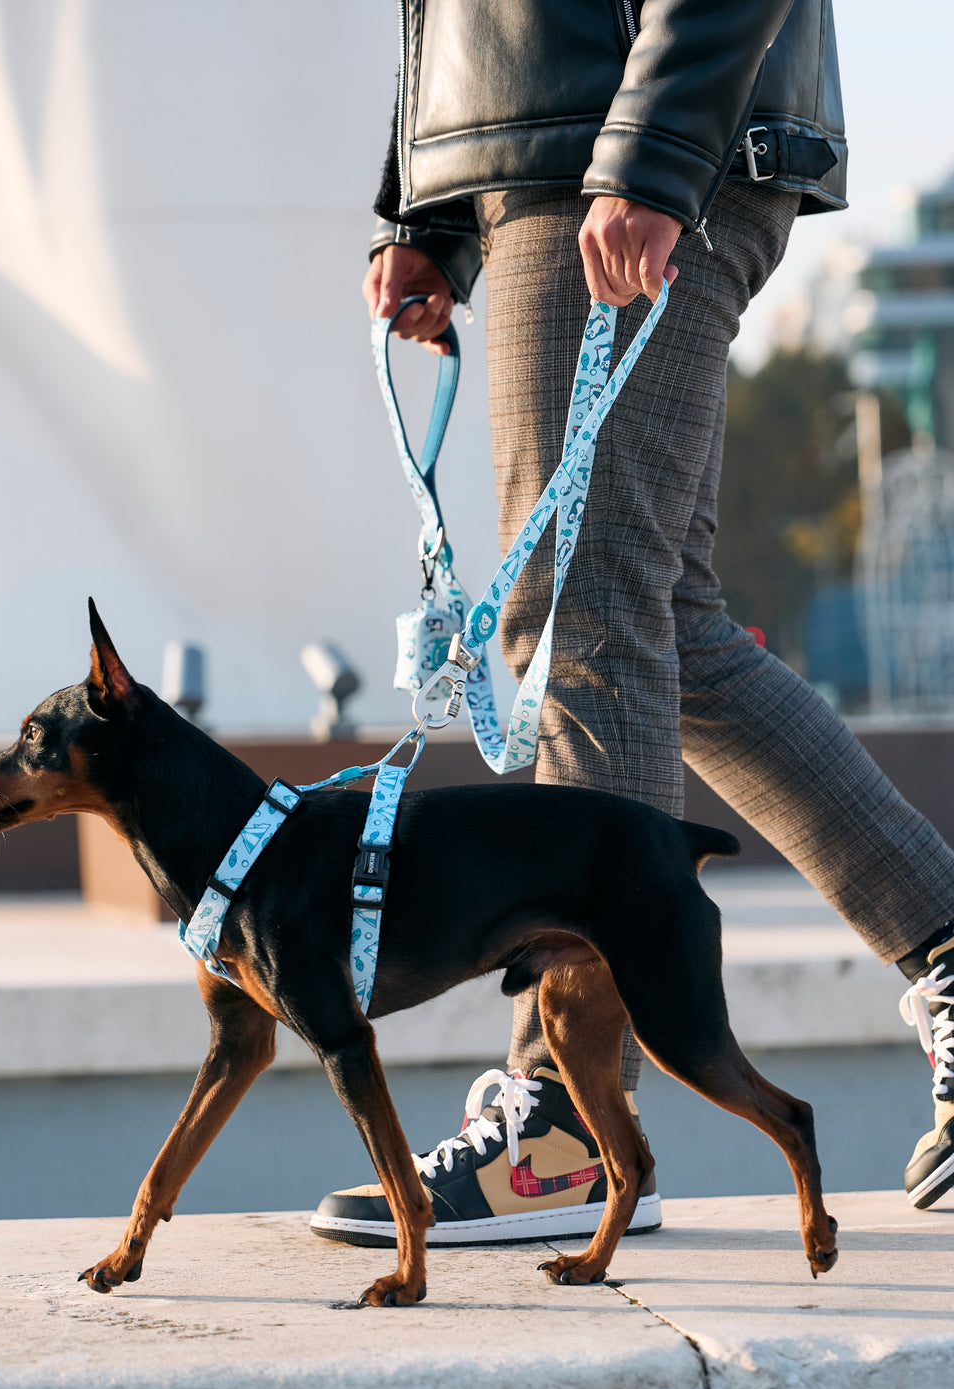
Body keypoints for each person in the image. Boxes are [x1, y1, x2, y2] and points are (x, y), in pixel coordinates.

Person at [309, 0, 954, 1250]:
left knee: (585, 619)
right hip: (555, 145)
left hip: (624, 143)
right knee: (664, 630)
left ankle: (564, 1128)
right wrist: (428, 203)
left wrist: (653, 152)